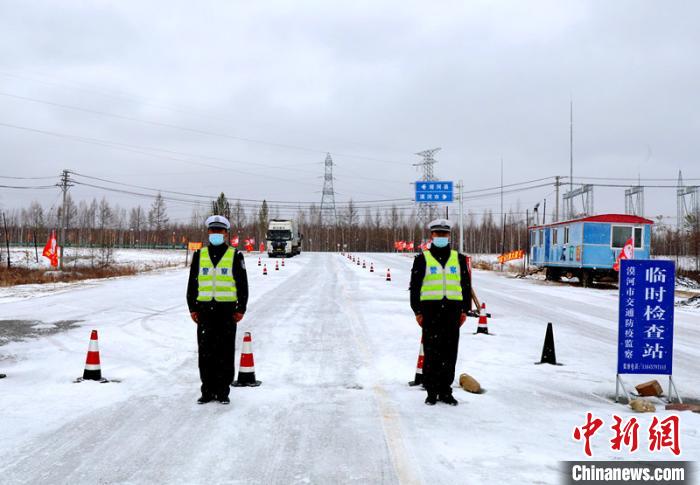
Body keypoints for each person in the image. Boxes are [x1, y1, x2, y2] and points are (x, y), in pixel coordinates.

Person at [187, 215, 249, 405]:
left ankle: (223, 391)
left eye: (219, 231)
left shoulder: (235, 255)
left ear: (225, 233)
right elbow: (192, 284)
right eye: (212, 230)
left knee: (224, 351)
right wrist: (192, 307)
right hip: (205, 311)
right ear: (208, 232)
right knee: (205, 352)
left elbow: (242, 285)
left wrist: (241, 308)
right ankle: (207, 390)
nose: (215, 234)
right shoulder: (199, 255)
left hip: (226, 311)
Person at [409, 218, 472, 406]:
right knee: (431, 351)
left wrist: (464, 311)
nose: (441, 237)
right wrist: (417, 312)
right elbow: (415, 288)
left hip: (452, 312)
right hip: (430, 312)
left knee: (449, 353)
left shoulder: (459, 259)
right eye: (438, 234)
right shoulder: (422, 259)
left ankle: (446, 390)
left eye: (444, 234)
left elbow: (466, 286)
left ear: (449, 236)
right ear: (432, 236)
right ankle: (431, 390)